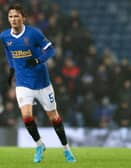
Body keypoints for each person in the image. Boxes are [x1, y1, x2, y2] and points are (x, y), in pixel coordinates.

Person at [0, 4, 76, 163]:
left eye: (16, 16)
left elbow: (51, 50)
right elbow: (8, 53)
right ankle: (39, 144)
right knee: (26, 116)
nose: (13, 19)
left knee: (54, 118)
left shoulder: (33, 33)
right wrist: (12, 70)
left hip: (42, 83)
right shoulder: (4, 36)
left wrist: (38, 60)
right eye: (11, 16)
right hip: (22, 83)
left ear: (23, 18)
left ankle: (66, 149)